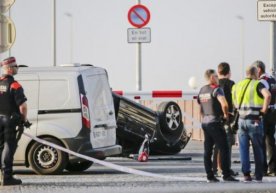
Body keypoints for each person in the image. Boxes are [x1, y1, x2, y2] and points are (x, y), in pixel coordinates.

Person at [197, 69, 238, 182]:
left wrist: (205, 117)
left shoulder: (202, 90)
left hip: (205, 122)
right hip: (215, 122)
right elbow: (224, 104)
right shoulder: (216, 89)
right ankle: (226, 175)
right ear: (211, 78)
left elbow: (201, 108)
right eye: (215, 76)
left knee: (208, 150)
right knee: (224, 147)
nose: (217, 78)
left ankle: (210, 176)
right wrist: (225, 115)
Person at [232, 65, 271, 182]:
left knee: (243, 149)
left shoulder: (237, 86)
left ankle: (246, 175)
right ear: (255, 74)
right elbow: (268, 95)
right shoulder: (257, 84)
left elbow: (234, 103)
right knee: (257, 148)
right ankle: (258, 175)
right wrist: (264, 110)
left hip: (241, 120)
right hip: (255, 120)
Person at [0, 57, 27, 186]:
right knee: (9, 148)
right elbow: (23, 106)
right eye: (16, 66)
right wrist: (23, 120)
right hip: (10, 121)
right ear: (10, 68)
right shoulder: (15, 85)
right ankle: (7, 177)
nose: (17, 68)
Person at [212, 62, 238, 177]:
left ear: (218, 72)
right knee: (227, 145)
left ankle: (214, 169)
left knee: (216, 145)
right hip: (228, 118)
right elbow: (235, 102)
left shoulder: (214, 85)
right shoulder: (232, 84)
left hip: (214, 118)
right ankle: (226, 168)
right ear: (229, 73)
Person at [254, 60, 276, 176]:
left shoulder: (261, 81)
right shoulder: (272, 79)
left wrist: (263, 110)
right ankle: (273, 168)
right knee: (271, 141)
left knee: (261, 141)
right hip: (273, 111)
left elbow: (266, 96)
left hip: (265, 112)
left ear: (258, 69)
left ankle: (262, 169)